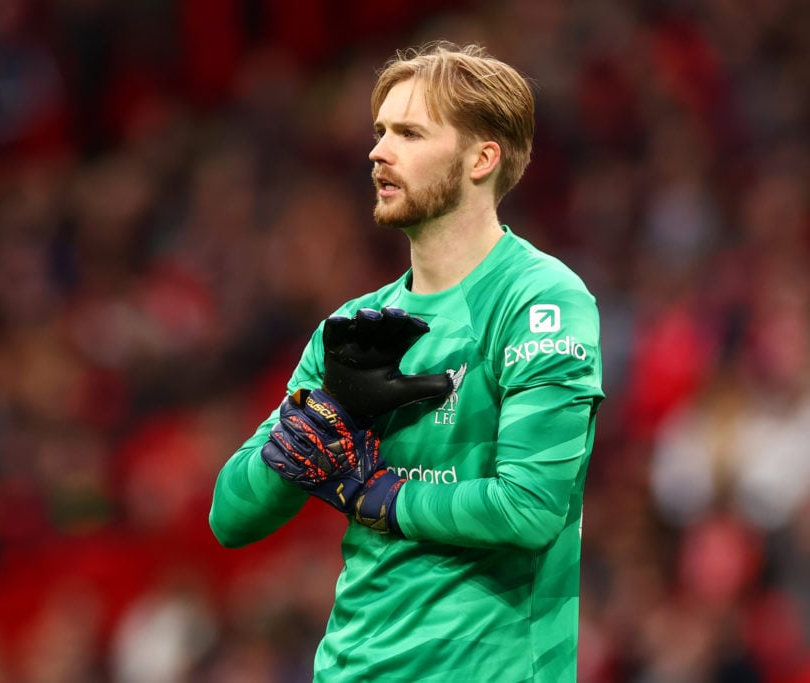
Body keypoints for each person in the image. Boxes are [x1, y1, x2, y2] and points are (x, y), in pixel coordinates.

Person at [209, 41, 603, 682]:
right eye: (381, 131)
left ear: (481, 158)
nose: (378, 151)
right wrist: (317, 424)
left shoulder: (540, 300)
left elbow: (529, 507)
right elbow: (230, 517)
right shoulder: (356, 330)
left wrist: (381, 496)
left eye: (410, 133)